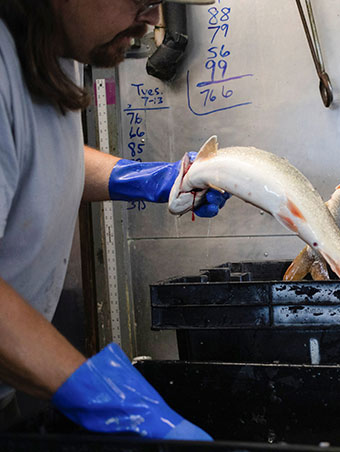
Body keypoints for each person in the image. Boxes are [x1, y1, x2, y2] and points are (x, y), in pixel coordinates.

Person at [0, 0, 229, 440]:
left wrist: (148, 178)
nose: (155, 19)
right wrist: (112, 402)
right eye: (140, 0)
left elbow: (34, 157)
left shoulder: (58, 46)